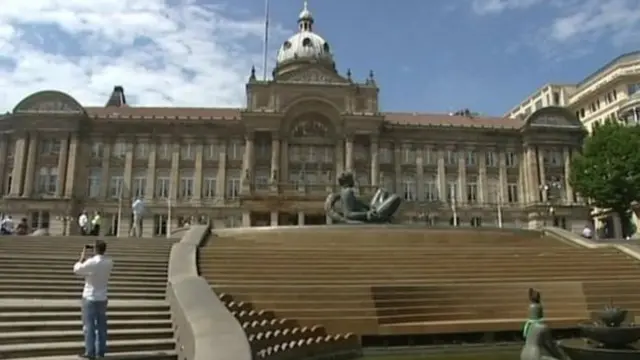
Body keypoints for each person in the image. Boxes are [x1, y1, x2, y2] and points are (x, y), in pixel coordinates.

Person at [73, 240, 113, 359]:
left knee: (89, 326)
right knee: (101, 326)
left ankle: (90, 351)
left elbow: (77, 269)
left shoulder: (91, 262)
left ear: (95, 249)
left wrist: (82, 256)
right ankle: (100, 351)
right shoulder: (109, 262)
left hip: (90, 296)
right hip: (102, 297)